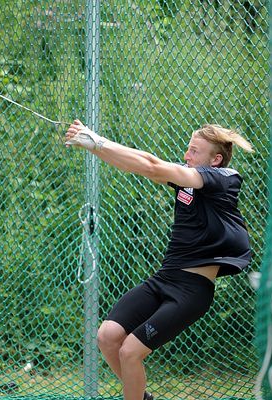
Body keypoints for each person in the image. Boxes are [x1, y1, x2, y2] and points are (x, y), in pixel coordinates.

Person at [65, 120, 254, 400]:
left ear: (215, 160)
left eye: (194, 151)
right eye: (187, 149)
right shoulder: (187, 182)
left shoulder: (223, 178)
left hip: (191, 291)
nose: (186, 156)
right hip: (165, 278)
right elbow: (144, 164)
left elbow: (153, 165)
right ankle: (142, 397)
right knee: (107, 337)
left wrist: (96, 140)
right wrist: (94, 145)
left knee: (130, 352)